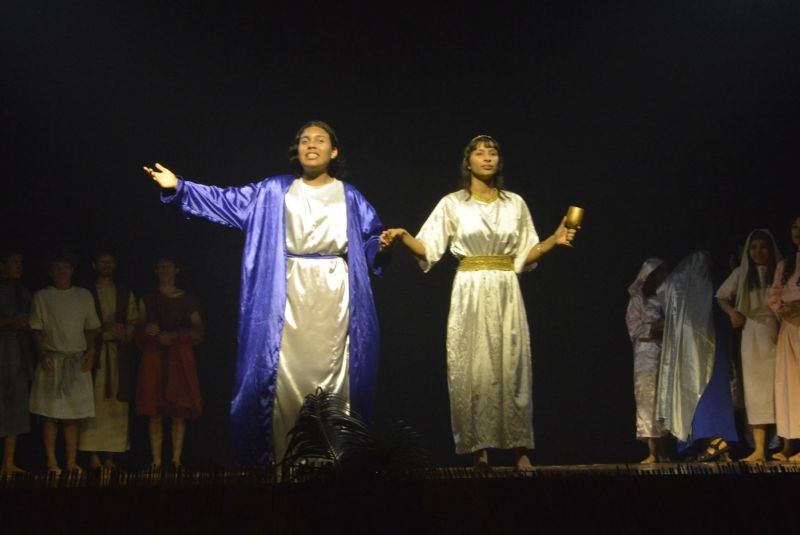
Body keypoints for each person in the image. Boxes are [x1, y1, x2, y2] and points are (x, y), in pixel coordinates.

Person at [143, 121, 388, 465]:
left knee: (335, 373)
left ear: (334, 152)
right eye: (305, 140)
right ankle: (283, 461)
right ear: (297, 150)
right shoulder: (273, 191)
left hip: (335, 296)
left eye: (320, 140)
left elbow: (371, 241)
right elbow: (224, 201)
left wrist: (383, 244)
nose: (311, 145)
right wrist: (180, 187)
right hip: (285, 295)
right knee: (284, 376)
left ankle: (333, 462)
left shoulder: (351, 196)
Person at [381, 134, 576, 471]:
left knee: (512, 364)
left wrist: (554, 241)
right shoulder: (453, 203)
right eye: (480, 153)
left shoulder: (514, 203)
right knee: (472, 367)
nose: (487, 157)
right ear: (467, 161)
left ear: (499, 162)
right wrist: (402, 237)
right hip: (469, 288)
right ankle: (478, 449)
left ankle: (519, 448)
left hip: (505, 288)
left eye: (493, 152)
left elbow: (524, 255)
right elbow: (429, 249)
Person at [655, 250, 738, 462]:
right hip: (696, 352)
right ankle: (705, 443)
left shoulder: (710, 286)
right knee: (697, 397)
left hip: (710, 349)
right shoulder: (692, 287)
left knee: (709, 394)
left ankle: (719, 442)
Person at [28, 253, 100, 474]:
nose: (61, 271)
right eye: (57, 267)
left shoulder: (83, 295)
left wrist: (91, 351)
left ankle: (70, 462)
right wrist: (42, 355)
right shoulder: (42, 296)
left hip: (76, 361)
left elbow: (92, 327)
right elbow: (36, 329)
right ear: (51, 272)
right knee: (50, 415)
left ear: (72, 270)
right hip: (53, 359)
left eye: (65, 267)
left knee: (74, 416)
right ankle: (51, 462)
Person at [715, 230, 781, 462]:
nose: (758, 252)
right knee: (756, 391)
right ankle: (760, 448)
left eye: (763, 247)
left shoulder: (779, 271)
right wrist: (733, 313)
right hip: (752, 335)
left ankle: (787, 446)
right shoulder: (741, 273)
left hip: (777, 333)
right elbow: (721, 296)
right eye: (753, 247)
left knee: (782, 388)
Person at [135, 256, 203, 470]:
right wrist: (147, 331)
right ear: (156, 271)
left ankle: (175, 460)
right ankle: (155, 461)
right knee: (154, 410)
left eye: (169, 267)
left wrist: (175, 336)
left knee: (178, 411)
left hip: (179, 360)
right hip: (154, 358)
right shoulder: (147, 299)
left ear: (176, 270)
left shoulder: (187, 299)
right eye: (161, 267)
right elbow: (136, 330)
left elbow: (199, 332)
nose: (165, 270)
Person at [78, 251, 138, 470]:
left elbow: (134, 322)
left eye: (110, 261)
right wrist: (102, 332)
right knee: (94, 402)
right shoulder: (85, 293)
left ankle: (111, 456)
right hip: (94, 354)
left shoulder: (125, 293)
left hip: (118, 356)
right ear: (94, 265)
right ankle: (93, 454)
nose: (106, 265)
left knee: (116, 405)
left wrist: (124, 332)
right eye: (102, 261)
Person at [626, 258, 670, 464]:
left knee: (665, 400)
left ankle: (664, 451)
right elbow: (634, 329)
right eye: (656, 274)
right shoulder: (637, 301)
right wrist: (656, 327)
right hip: (646, 356)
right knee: (648, 400)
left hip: (667, 355)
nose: (660, 278)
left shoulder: (668, 298)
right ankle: (652, 451)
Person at [769, 215, 800, 461]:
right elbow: (775, 294)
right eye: (794, 227)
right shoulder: (785, 264)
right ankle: (789, 442)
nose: (797, 232)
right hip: (788, 328)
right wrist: (781, 308)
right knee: (787, 383)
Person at [0, 251, 33, 475]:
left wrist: (26, 324)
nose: (19, 267)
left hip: (18, 354)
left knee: (15, 406)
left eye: (21, 263)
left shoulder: (23, 293)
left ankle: (8, 462)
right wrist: (11, 321)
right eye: (14, 262)